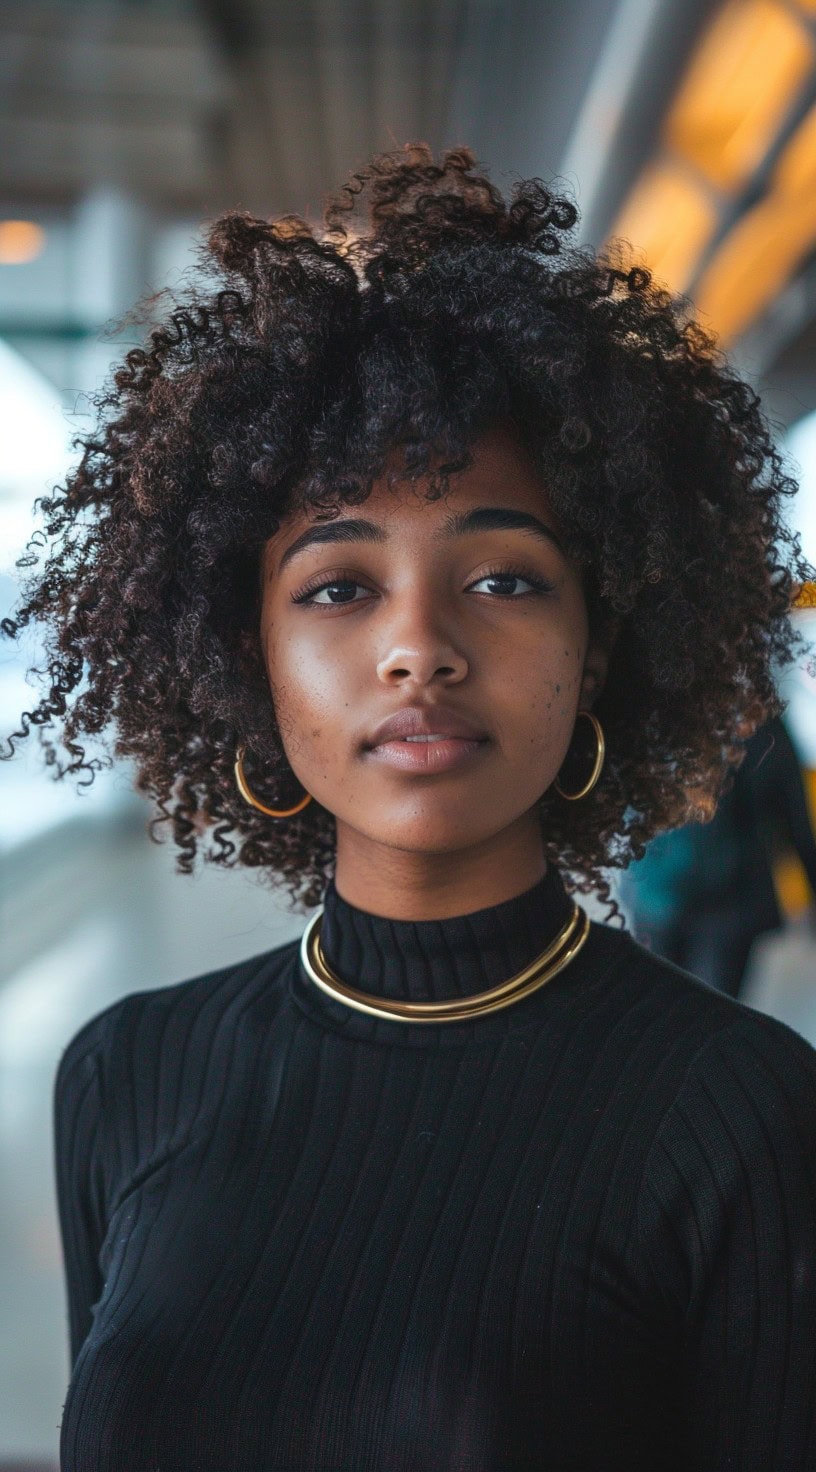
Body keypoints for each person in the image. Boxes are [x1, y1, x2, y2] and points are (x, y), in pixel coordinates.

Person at [3, 144, 816, 1470]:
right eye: (337, 587)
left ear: (599, 642)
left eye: (502, 580)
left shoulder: (738, 1111)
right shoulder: (126, 1074)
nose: (418, 648)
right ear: (244, 652)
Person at [621, 713, 816, 999]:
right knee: (710, 1021)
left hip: (663, 895)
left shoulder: (647, 712)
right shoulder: (756, 718)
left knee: (662, 1014)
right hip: (718, 904)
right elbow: (791, 811)